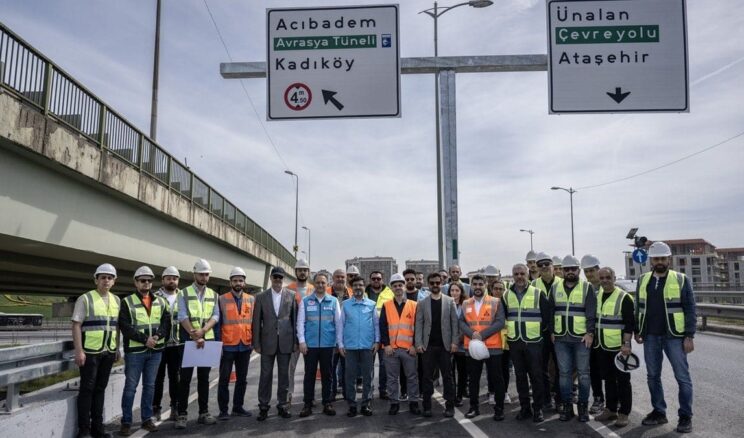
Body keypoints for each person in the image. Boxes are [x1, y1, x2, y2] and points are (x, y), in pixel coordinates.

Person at [635, 241, 696, 434]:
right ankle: (659, 411)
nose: (659, 261)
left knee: (682, 377)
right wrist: (639, 330)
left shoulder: (680, 279)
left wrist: (689, 335)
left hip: (675, 336)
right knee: (653, 376)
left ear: (669, 259)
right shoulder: (643, 280)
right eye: (656, 259)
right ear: (651, 260)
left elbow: (690, 308)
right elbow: (639, 307)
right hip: (651, 336)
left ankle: (685, 416)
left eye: (663, 258)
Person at [118, 266, 170, 436]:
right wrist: (144, 339)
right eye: (142, 280)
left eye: (149, 280)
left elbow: (166, 323)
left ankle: (146, 419)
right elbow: (125, 327)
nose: (146, 283)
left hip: (155, 351)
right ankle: (126, 422)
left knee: (150, 386)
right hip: (135, 352)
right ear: (136, 282)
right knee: (131, 387)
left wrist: (156, 337)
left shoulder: (161, 301)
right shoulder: (126, 302)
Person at [72, 263, 121, 438]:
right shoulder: (85, 298)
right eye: (103, 277)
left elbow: (115, 327)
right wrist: (79, 351)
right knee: (87, 390)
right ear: (96, 280)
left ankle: (97, 429)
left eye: (109, 278)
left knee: (100, 389)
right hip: (90, 352)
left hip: (108, 351)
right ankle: (84, 430)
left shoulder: (116, 300)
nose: (106, 281)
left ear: (114, 281)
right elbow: (76, 325)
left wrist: (117, 348)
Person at [503, 263, 552, 423]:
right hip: (515, 342)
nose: (519, 277)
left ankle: (538, 409)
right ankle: (525, 408)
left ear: (528, 274)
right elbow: (504, 317)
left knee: (536, 376)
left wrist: (538, 334)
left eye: (522, 273)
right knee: (520, 377)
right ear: (513, 275)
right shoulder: (506, 295)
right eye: (516, 274)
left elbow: (547, 318)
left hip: (534, 343)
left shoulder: (538, 293)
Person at [551, 255, 597, 422]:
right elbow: (551, 311)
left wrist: (590, 332)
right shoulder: (555, 287)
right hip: (561, 338)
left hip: (581, 338)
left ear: (578, 270)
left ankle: (583, 407)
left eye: (573, 269)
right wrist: (551, 331)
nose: (570, 271)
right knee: (564, 374)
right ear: (562, 271)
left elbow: (591, 312)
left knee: (584, 374)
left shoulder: (587, 287)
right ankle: (567, 407)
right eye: (566, 269)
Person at [175, 259, 220, 429]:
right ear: (194, 274)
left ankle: (204, 412)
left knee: (204, 378)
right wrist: (195, 335)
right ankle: (182, 414)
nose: (204, 277)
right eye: (201, 274)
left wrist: (203, 331)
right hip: (189, 341)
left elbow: (216, 316)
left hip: (206, 340)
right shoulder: (184, 293)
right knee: (184, 379)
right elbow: (182, 316)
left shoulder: (213, 294)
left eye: (206, 274)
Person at [459, 274, 506, 421]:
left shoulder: (495, 301)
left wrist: (482, 335)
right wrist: (473, 334)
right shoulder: (466, 303)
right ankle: (474, 407)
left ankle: (499, 409)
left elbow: (500, 322)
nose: (478, 287)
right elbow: (461, 322)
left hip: (492, 346)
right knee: (473, 379)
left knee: (497, 378)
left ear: (486, 285)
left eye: (481, 284)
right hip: (473, 348)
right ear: (472, 286)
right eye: (475, 284)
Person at [253, 266, 297, 421]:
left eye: (280, 277)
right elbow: (256, 322)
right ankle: (263, 406)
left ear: (283, 279)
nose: (278, 280)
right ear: (271, 278)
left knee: (284, 376)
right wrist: (256, 343)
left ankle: (282, 405)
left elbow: (294, 320)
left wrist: (295, 343)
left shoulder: (291, 295)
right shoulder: (261, 297)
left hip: (286, 342)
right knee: (265, 375)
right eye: (275, 277)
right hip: (267, 343)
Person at [593, 267, 634, 428]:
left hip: (618, 348)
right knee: (608, 380)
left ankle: (624, 413)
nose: (604, 281)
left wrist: (626, 344)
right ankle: (611, 409)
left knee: (623, 381)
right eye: (601, 278)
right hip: (602, 346)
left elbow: (629, 324)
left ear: (614, 278)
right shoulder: (598, 296)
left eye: (608, 277)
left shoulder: (624, 298)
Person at [297, 272, 343, 417]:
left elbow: (339, 324)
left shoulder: (333, 301)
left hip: (328, 345)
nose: (320, 285)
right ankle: (307, 404)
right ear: (314, 283)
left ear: (327, 284)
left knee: (327, 375)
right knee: (309, 375)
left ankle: (327, 403)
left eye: (323, 283)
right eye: (318, 282)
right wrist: (302, 341)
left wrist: (338, 343)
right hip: (310, 346)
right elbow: (300, 323)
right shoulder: (305, 301)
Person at [415, 272, 459, 417]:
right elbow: (419, 324)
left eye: (437, 283)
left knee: (448, 377)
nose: (435, 285)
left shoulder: (449, 301)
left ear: (441, 283)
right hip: (428, 347)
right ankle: (427, 406)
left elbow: (454, 323)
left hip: (445, 346)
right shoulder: (422, 303)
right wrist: (418, 343)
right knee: (427, 377)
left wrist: (454, 342)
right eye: (432, 283)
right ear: (428, 284)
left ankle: (450, 406)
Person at [379, 273, 421, 416]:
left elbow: (418, 326)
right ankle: (394, 403)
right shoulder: (386, 305)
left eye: (400, 285)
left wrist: (415, 345)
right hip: (392, 350)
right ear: (391, 288)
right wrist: (386, 344)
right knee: (392, 378)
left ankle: (414, 402)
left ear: (404, 286)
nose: (398, 288)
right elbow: (383, 326)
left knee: (412, 377)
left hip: (409, 349)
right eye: (395, 285)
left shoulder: (414, 305)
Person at [216, 267, 255, 420]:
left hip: (244, 345)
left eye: (240, 280)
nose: (238, 283)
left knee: (242, 379)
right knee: (224, 379)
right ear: (230, 282)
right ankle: (223, 411)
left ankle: (238, 407)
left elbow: (253, 323)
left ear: (244, 282)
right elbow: (218, 324)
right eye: (235, 280)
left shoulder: (251, 299)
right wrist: (218, 344)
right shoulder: (222, 299)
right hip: (227, 345)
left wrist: (252, 343)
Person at [339, 276, 380, 417]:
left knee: (368, 376)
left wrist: (377, 341)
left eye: (360, 285)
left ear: (364, 287)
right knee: (350, 377)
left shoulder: (371, 304)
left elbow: (376, 324)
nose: (358, 288)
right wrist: (340, 344)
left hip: (367, 346)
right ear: (352, 287)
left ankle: (366, 404)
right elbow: (341, 326)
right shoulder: (345, 305)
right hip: (350, 347)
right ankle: (352, 405)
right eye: (355, 285)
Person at [531, 252, 562, 410]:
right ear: (537, 268)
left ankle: (559, 399)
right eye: (540, 265)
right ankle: (546, 398)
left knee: (560, 367)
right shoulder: (533, 285)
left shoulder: (562, 283)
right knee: (541, 367)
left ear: (553, 266)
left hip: (559, 332)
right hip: (541, 333)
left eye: (547, 264)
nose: (544, 267)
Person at [153, 266, 182, 422]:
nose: (172, 280)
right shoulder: (154, 297)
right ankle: (155, 408)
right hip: (160, 344)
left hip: (177, 344)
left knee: (175, 378)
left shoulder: (183, 296)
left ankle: (175, 408)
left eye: (175, 278)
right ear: (163, 280)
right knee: (158, 378)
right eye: (169, 278)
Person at [287, 259, 315, 405]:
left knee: (310, 369)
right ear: (295, 271)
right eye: (300, 270)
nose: (302, 272)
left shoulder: (314, 289)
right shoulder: (288, 289)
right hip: (292, 336)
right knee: (290, 368)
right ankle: (288, 394)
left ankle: (309, 397)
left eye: (305, 270)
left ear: (308, 272)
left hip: (309, 335)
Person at [581, 254, 606, 415]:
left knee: (611, 371)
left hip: (608, 335)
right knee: (594, 369)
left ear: (598, 269)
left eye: (592, 270)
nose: (589, 274)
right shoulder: (584, 289)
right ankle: (598, 398)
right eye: (587, 271)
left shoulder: (609, 286)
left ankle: (614, 400)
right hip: (591, 335)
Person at [368, 271, 393, 399]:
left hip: (384, 333)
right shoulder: (365, 292)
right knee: (369, 365)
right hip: (369, 334)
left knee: (384, 364)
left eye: (378, 278)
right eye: (374, 279)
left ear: (382, 280)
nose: (376, 281)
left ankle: (383, 389)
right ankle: (369, 390)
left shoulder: (390, 293)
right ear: (370, 280)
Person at [489, 280, 512, 405]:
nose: (498, 291)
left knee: (504, 368)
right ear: (491, 289)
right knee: (492, 368)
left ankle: (505, 392)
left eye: (500, 289)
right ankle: (492, 392)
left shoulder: (507, 303)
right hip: (491, 340)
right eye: (496, 288)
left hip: (505, 341)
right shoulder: (486, 303)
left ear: (504, 290)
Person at [329, 269, 351, 400]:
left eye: (342, 277)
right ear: (333, 277)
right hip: (330, 338)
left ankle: (347, 393)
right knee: (330, 368)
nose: (340, 279)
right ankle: (331, 393)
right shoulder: (326, 292)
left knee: (347, 368)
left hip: (347, 338)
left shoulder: (352, 292)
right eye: (337, 276)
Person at [449, 283, 468, 407]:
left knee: (462, 372)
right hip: (449, 344)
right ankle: (451, 395)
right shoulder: (446, 304)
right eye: (452, 290)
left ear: (461, 292)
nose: (454, 293)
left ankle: (460, 395)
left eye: (457, 290)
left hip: (461, 344)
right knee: (450, 373)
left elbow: (467, 323)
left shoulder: (466, 305)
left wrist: (458, 340)